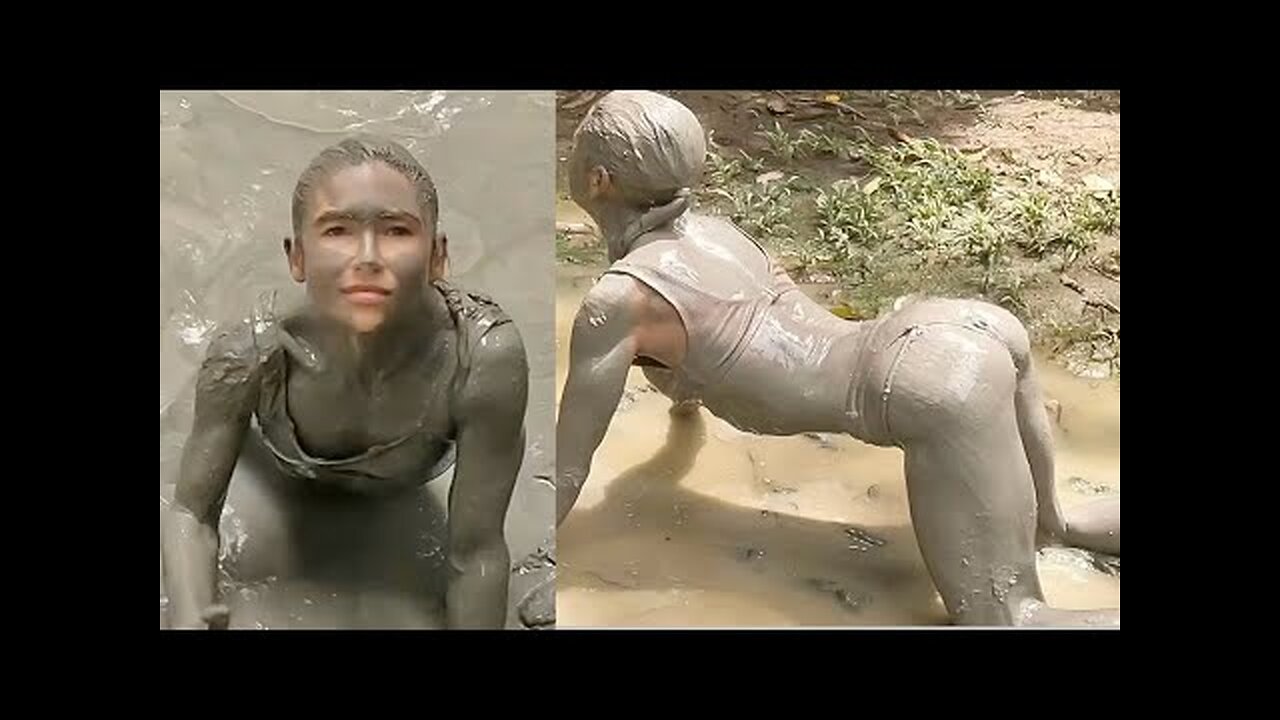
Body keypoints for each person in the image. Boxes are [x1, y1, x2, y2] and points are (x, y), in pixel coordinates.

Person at [555, 91, 1119, 627]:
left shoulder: (618, 301)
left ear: (597, 180)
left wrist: (507, 547)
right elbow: (717, 345)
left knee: (1006, 619)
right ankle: (1052, 519)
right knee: (1049, 527)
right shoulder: (718, 234)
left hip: (929, 385)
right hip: (958, 327)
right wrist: (683, 414)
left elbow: (567, 464)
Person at [161, 135, 529, 629]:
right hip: (275, 476)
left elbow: (478, 551)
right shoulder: (250, 353)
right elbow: (191, 514)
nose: (368, 256)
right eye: (337, 230)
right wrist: (190, 613)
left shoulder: (481, 359)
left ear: (438, 256)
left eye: (397, 231)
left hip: (402, 492)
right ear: (297, 257)